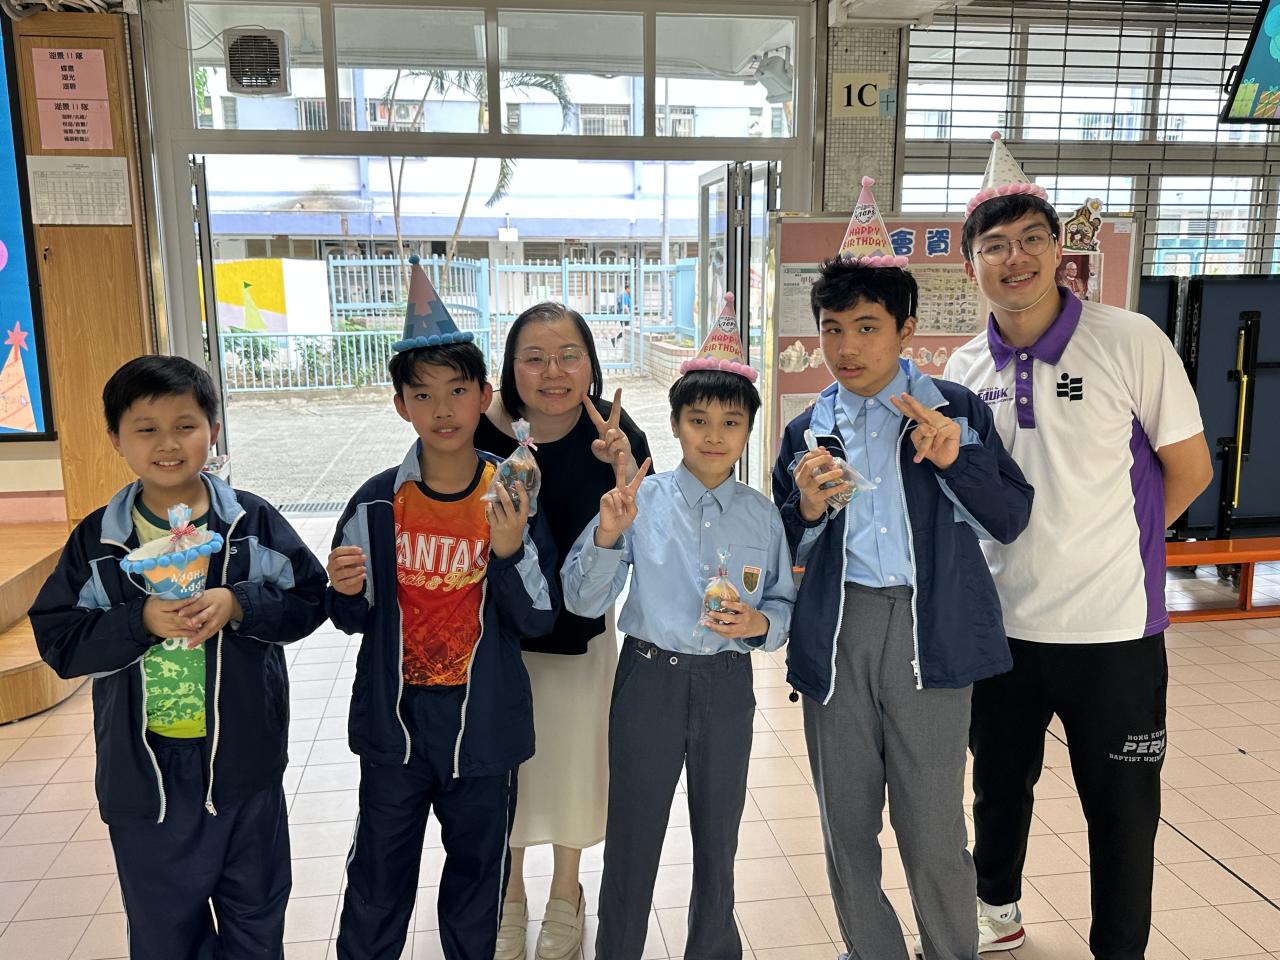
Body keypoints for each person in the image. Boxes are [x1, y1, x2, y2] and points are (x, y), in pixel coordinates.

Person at [945, 133, 1212, 958]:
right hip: (1002, 631)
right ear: (970, 265)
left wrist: (1116, 549)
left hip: (1115, 634)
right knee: (998, 790)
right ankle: (997, 912)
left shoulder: (1129, 340)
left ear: (1060, 249)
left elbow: (1190, 470)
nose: (1015, 258)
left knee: (1123, 810)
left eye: (1032, 238)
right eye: (995, 245)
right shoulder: (964, 368)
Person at [771, 177, 1033, 960]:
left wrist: (957, 461)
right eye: (832, 329)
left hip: (932, 630)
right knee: (846, 824)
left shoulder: (954, 410)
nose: (846, 348)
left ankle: (950, 949)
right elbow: (782, 546)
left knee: (932, 825)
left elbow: (1010, 517)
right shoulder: (806, 429)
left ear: (905, 330)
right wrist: (806, 512)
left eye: (866, 327)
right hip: (838, 629)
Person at [30, 354, 327, 960]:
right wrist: (137, 620)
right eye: (147, 429)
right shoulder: (99, 541)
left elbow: (310, 599)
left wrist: (239, 603)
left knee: (256, 914)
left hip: (245, 764)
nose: (168, 444)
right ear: (116, 439)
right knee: (165, 930)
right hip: (146, 777)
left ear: (212, 430)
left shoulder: (250, 523)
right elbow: (59, 639)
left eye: (185, 425)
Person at [327, 257, 561, 960]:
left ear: (484, 396)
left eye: (458, 391)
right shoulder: (376, 503)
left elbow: (539, 617)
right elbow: (351, 618)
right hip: (394, 728)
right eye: (423, 395)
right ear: (401, 404)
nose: (443, 410)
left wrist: (510, 550)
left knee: (476, 882)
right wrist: (343, 591)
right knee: (377, 878)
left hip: (482, 726)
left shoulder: (511, 495)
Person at [563, 295, 795, 960]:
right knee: (633, 839)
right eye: (698, 420)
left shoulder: (762, 515)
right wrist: (609, 533)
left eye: (730, 421)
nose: (713, 435)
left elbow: (783, 610)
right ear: (674, 424)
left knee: (719, 841)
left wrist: (757, 622)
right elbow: (583, 600)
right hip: (649, 684)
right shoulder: (642, 500)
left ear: (748, 428)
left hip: (727, 685)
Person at [475, 301, 653, 960]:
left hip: (580, 637)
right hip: (494, 639)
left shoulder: (617, 434)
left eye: (568, 355)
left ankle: (565, 893)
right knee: (503, 770)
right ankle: (508, 893)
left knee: (575, 763)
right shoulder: (479, 430)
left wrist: (621, 465)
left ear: (591, 363)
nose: (553, 372)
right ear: (510, 367)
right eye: (534, 358)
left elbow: (645, 532)